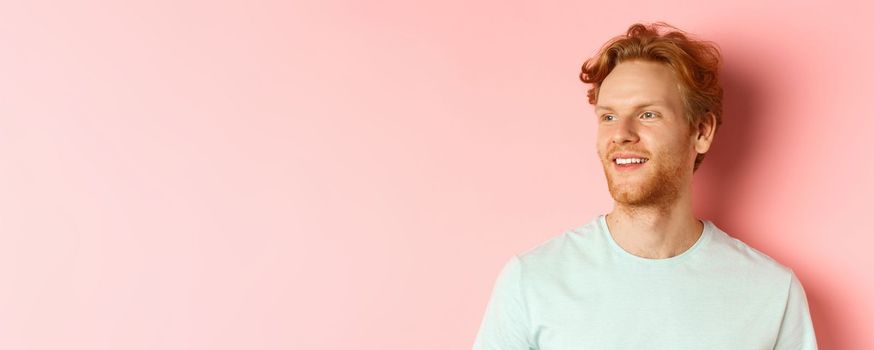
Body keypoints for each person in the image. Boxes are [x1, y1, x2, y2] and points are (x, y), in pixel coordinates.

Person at [472, 22, 818, 349]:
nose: (621, 133)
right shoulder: (532, 281)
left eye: (647, 114)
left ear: (701, 132)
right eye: (608, 116)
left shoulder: (771, 292)